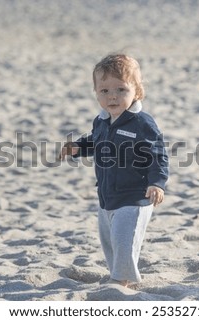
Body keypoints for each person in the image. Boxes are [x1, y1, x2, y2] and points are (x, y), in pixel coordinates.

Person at [59, 54, 169, 287]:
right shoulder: (101, 121)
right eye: (105, 91)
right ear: (96, 92)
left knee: (123, 239)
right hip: (107, 195)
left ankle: (122, 280)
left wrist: (157, 183)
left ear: (136, 91)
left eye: (121, 89)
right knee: (109, 241)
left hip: (135, 196)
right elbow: (96, 141)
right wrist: (78, 147)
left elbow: (158, 154)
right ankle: (118, 275)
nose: (112, 97)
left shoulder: (141, 123)